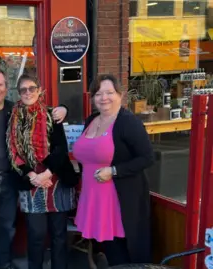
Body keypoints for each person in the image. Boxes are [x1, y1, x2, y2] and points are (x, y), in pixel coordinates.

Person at [0, 66, 68, 269]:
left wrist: (63, 108)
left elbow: (44, 115)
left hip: (10, 180)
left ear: (6, 87)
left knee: (8, 228)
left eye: (0, 85)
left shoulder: (16, 110)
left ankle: (6, 264)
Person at [72, 74, 154, 266]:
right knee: (109, 250)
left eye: (109, 92)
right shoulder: (91, 119)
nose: (104, 98)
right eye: (98, 93)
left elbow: (147, 157)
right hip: (96, 198)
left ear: (120, 95)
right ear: (92, 97)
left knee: (123, 254)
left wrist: (114, 171)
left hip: (120, 201)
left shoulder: (128, 122)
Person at [6, 74, 77, 269]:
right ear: (19, 93)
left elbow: (61, 149)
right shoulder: (13, 119)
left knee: (59, 237)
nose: (28, 92)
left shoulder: (52, 114)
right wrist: (33, 176)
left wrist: (46, 174)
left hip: (57, 182)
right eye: (23, 90)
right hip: (31, 184)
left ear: (39, 90)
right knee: (36, 237)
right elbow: (13, 152)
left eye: (32, 88)